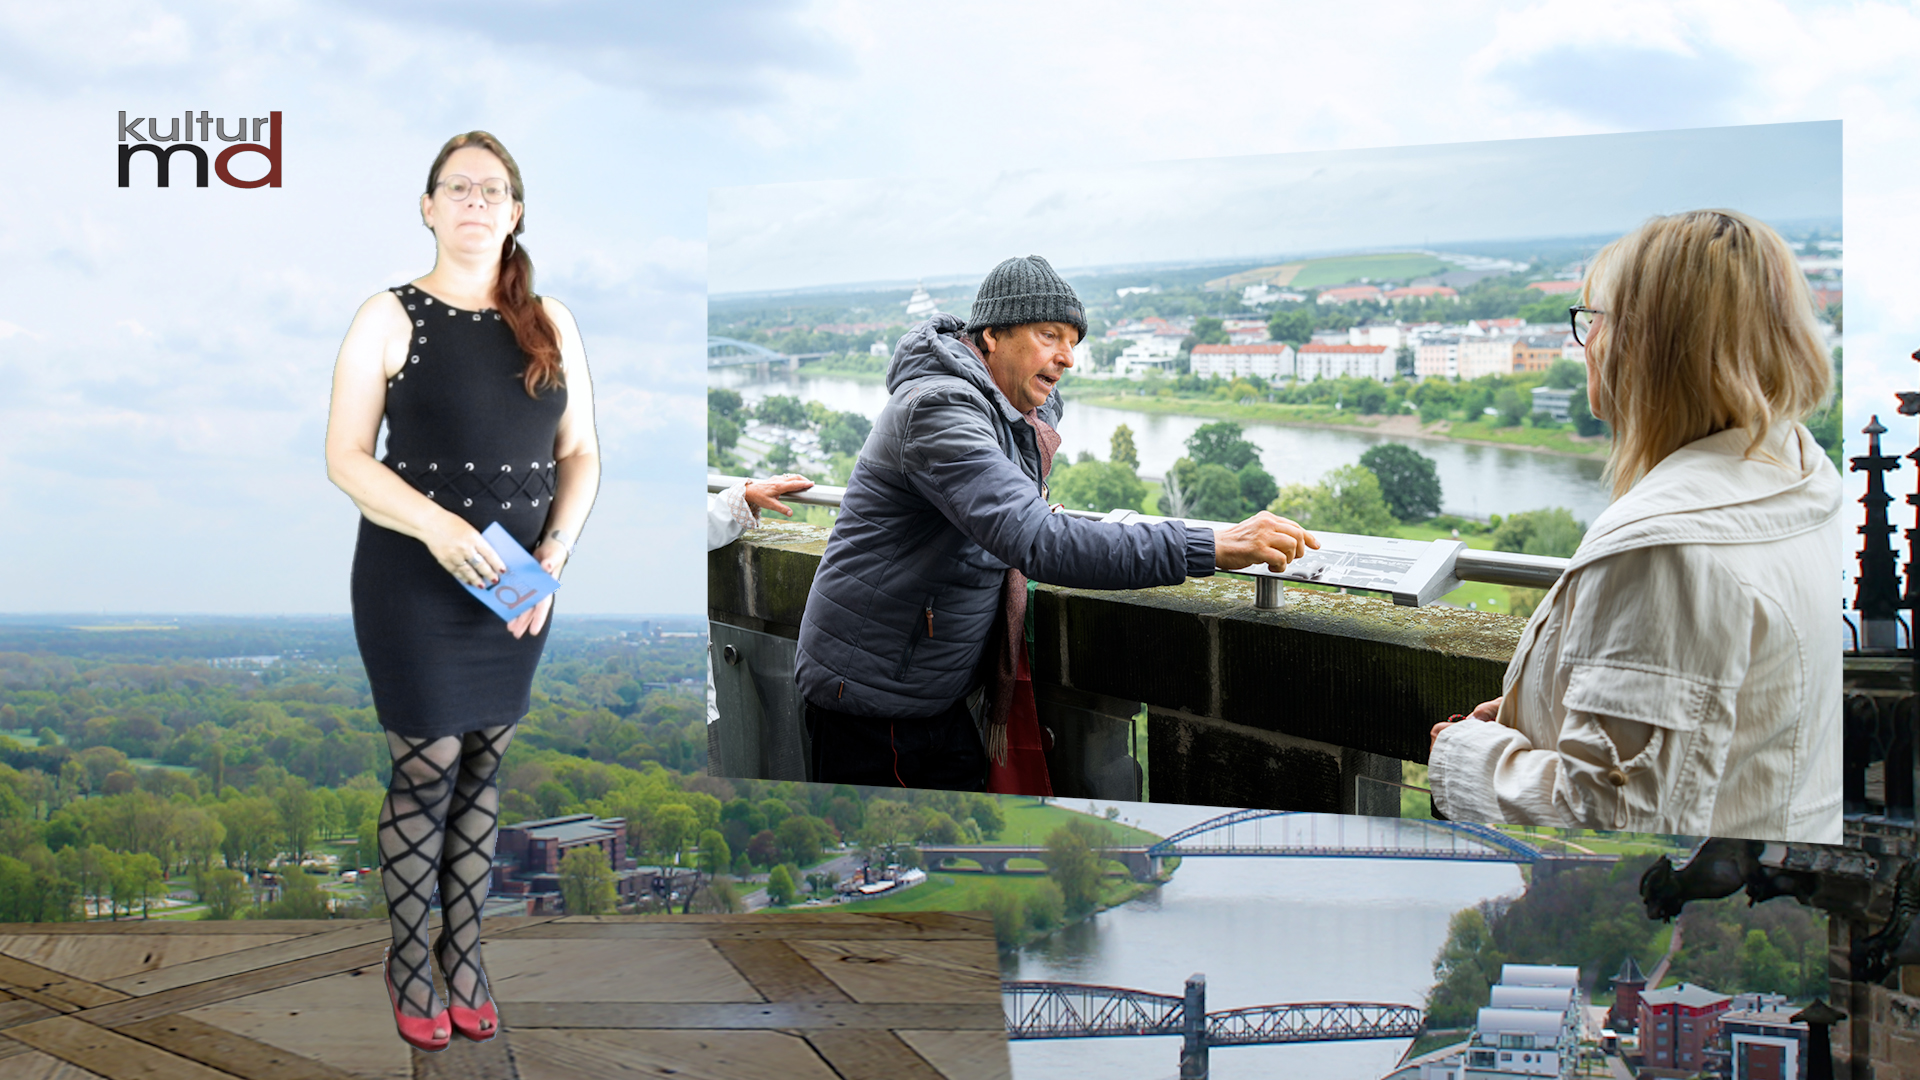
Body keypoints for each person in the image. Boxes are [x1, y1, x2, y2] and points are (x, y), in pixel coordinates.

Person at [794, 255, 1316, 793]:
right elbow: (1037, 539)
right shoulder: (938, 408)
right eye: (1050, 335)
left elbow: (1016, 515)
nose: (1067, 357)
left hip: (931, 691)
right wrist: (1210, 545)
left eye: (1073, 341)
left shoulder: (1013, 413)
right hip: (871, 703)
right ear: (993, 334)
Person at [1427, 209, 1841, 843]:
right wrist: (1540, 710)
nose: (1587, 341)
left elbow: (1611, 819)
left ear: (1649, 347)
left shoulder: (1663, 550)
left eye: (1596, 319)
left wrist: (1463, 754)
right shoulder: (1802, 476)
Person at [324, 132, 599, 1051]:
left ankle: (465, 955)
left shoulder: (550, 320)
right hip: (412, 575)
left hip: (519, 580)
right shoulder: (387, 315)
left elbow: (580, 454)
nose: (475, 201)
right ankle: (410, 962)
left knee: (485, 760)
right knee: (427, 765)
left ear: (515, 212)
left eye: (492, 189)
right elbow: (346, 458)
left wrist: (552, 556)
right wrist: (439, 528)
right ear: (428, 206)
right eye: (457, 187)